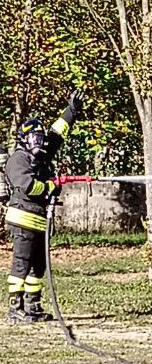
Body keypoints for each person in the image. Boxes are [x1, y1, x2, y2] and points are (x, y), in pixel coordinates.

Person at [4, 90, 85, 323]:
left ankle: (33, 306)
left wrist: (71, 111)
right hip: (23, 219)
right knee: (22, 263)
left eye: (40, 139)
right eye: (34, 139)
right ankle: (15, 308)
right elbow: (27, 185)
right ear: (24, 139)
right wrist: (50, 186)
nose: (39, 142)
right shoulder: (18, 159)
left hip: (39, 220)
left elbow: (57, 134)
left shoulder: (40, 156)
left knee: (38, 267)